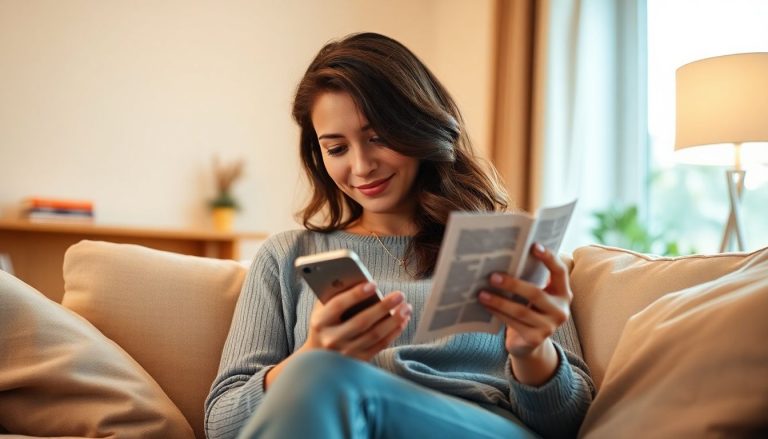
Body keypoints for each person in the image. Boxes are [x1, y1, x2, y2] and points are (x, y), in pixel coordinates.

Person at [205, 32, 594, 439]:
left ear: (418, 125)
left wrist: (531, 352)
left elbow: (568, 424)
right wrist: (312, 354)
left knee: (331, 381)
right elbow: (221, 424)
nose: (361, 166)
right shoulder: (286, 255)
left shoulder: (505, 243)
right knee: (324, 377)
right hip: (339, 419)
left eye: (378, 138)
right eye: (337, 149)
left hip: (480, 427)